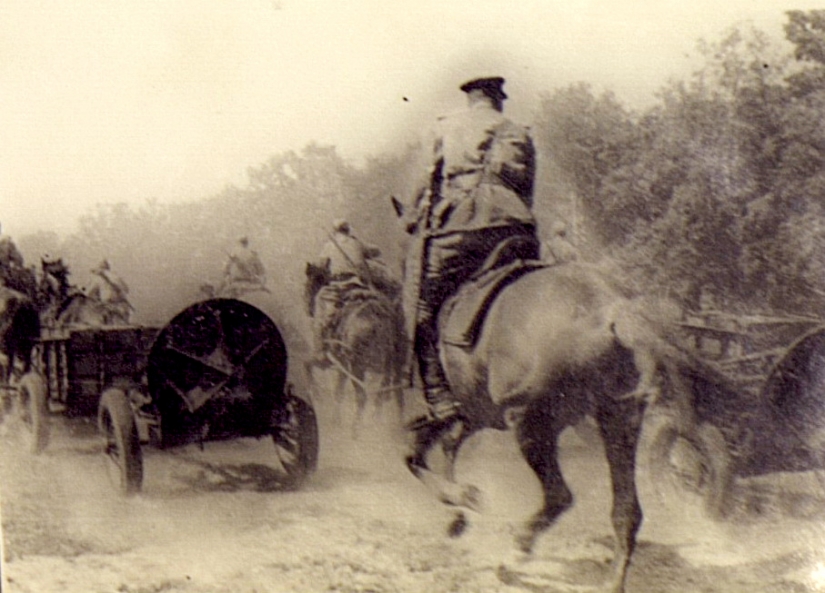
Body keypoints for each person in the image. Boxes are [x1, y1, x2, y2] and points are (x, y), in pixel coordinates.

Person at [403, 76, 540, 430]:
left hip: (460, 229)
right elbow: (528, 190)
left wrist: (411, 214)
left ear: (471, 98)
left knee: (421, 310)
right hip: (516, 228)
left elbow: (427, 179)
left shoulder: (446, 129)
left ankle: (439, 398)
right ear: (497, 100)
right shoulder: (518, 130)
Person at [311, 219, 382, 354]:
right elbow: (375, 252)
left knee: (319, 301)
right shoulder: (356, 242)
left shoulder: (329, 245)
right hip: (358, 286)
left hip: (338, 287)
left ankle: (319, 350)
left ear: (335, 231)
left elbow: (320, 266)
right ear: (348, 229)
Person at [86, 259, 132, 324]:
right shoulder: (117, 277)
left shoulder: (98, 279)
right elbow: (126, 290)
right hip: (122, 307)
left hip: (107, 308)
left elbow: (88, 294)